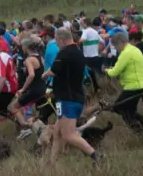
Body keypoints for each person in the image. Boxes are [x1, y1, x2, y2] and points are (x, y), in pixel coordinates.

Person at [42, 28, 100, 164]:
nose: (56, 43)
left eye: (56, 40)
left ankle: (96, 156)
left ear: (61, 40)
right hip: (74, 96)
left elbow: (54, 71)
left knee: (68, 135)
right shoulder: (78, 52)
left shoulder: (64, 53)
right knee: (57, 133)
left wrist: (45, 75)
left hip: (67, 99)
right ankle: (52, 164)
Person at [104, 33, 143, 136]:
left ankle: (140, 133)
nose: (116, 49)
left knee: (118, 108)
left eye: (116, 46)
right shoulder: (135, 50)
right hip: (140, 85)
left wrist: (107, 71)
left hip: (132, 87)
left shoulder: (126, 53)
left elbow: (115, 72)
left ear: (120, 43)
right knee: (129, 111)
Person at [10, 38, 47, 138]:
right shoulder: (40, 57)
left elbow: (31, 75)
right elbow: (43, 72)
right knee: (25, 108)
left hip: (34, 90)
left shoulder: (29, 59)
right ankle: (37, 128)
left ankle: (25, 128)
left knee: (13, 107)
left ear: (26, 47)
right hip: (42, 88)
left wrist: (23, 89)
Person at [79, 17, 105, 92]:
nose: (81, 24)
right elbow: (102, 42)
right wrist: (99, 49)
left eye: (82, 23)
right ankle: (98, 88)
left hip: (87, 57)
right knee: (95, 74)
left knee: (87, 74)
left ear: (85, 23)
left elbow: (82, 40)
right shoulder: (95, 32)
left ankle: (89, 90)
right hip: (95, 56)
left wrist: (77, 42)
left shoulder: (86, 31)